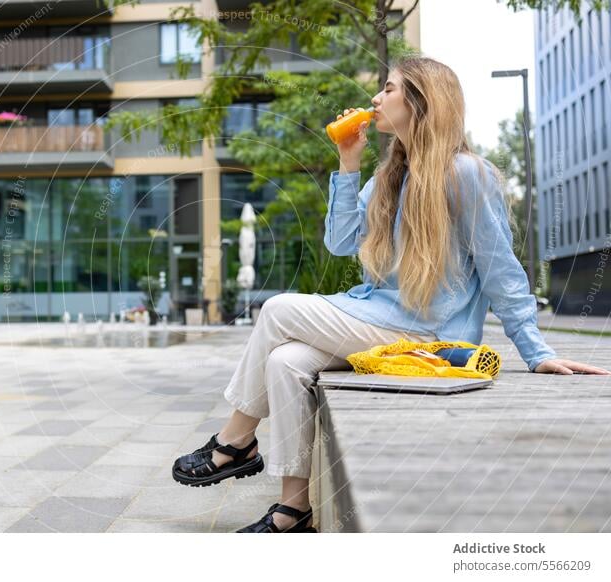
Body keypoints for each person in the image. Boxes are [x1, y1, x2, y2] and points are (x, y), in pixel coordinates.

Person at [172, 56, 611, 534]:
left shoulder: (466, 174)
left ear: (421, 102)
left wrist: (535, 350)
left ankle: (234, 442)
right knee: (285, 362)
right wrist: (348, 163)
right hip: (380, 320)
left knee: (277, 309)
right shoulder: (387, 178)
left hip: (431, 334)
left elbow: (501, 271)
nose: (375, 99)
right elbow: (339, 243)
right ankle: (293, 509)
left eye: (388, 89)